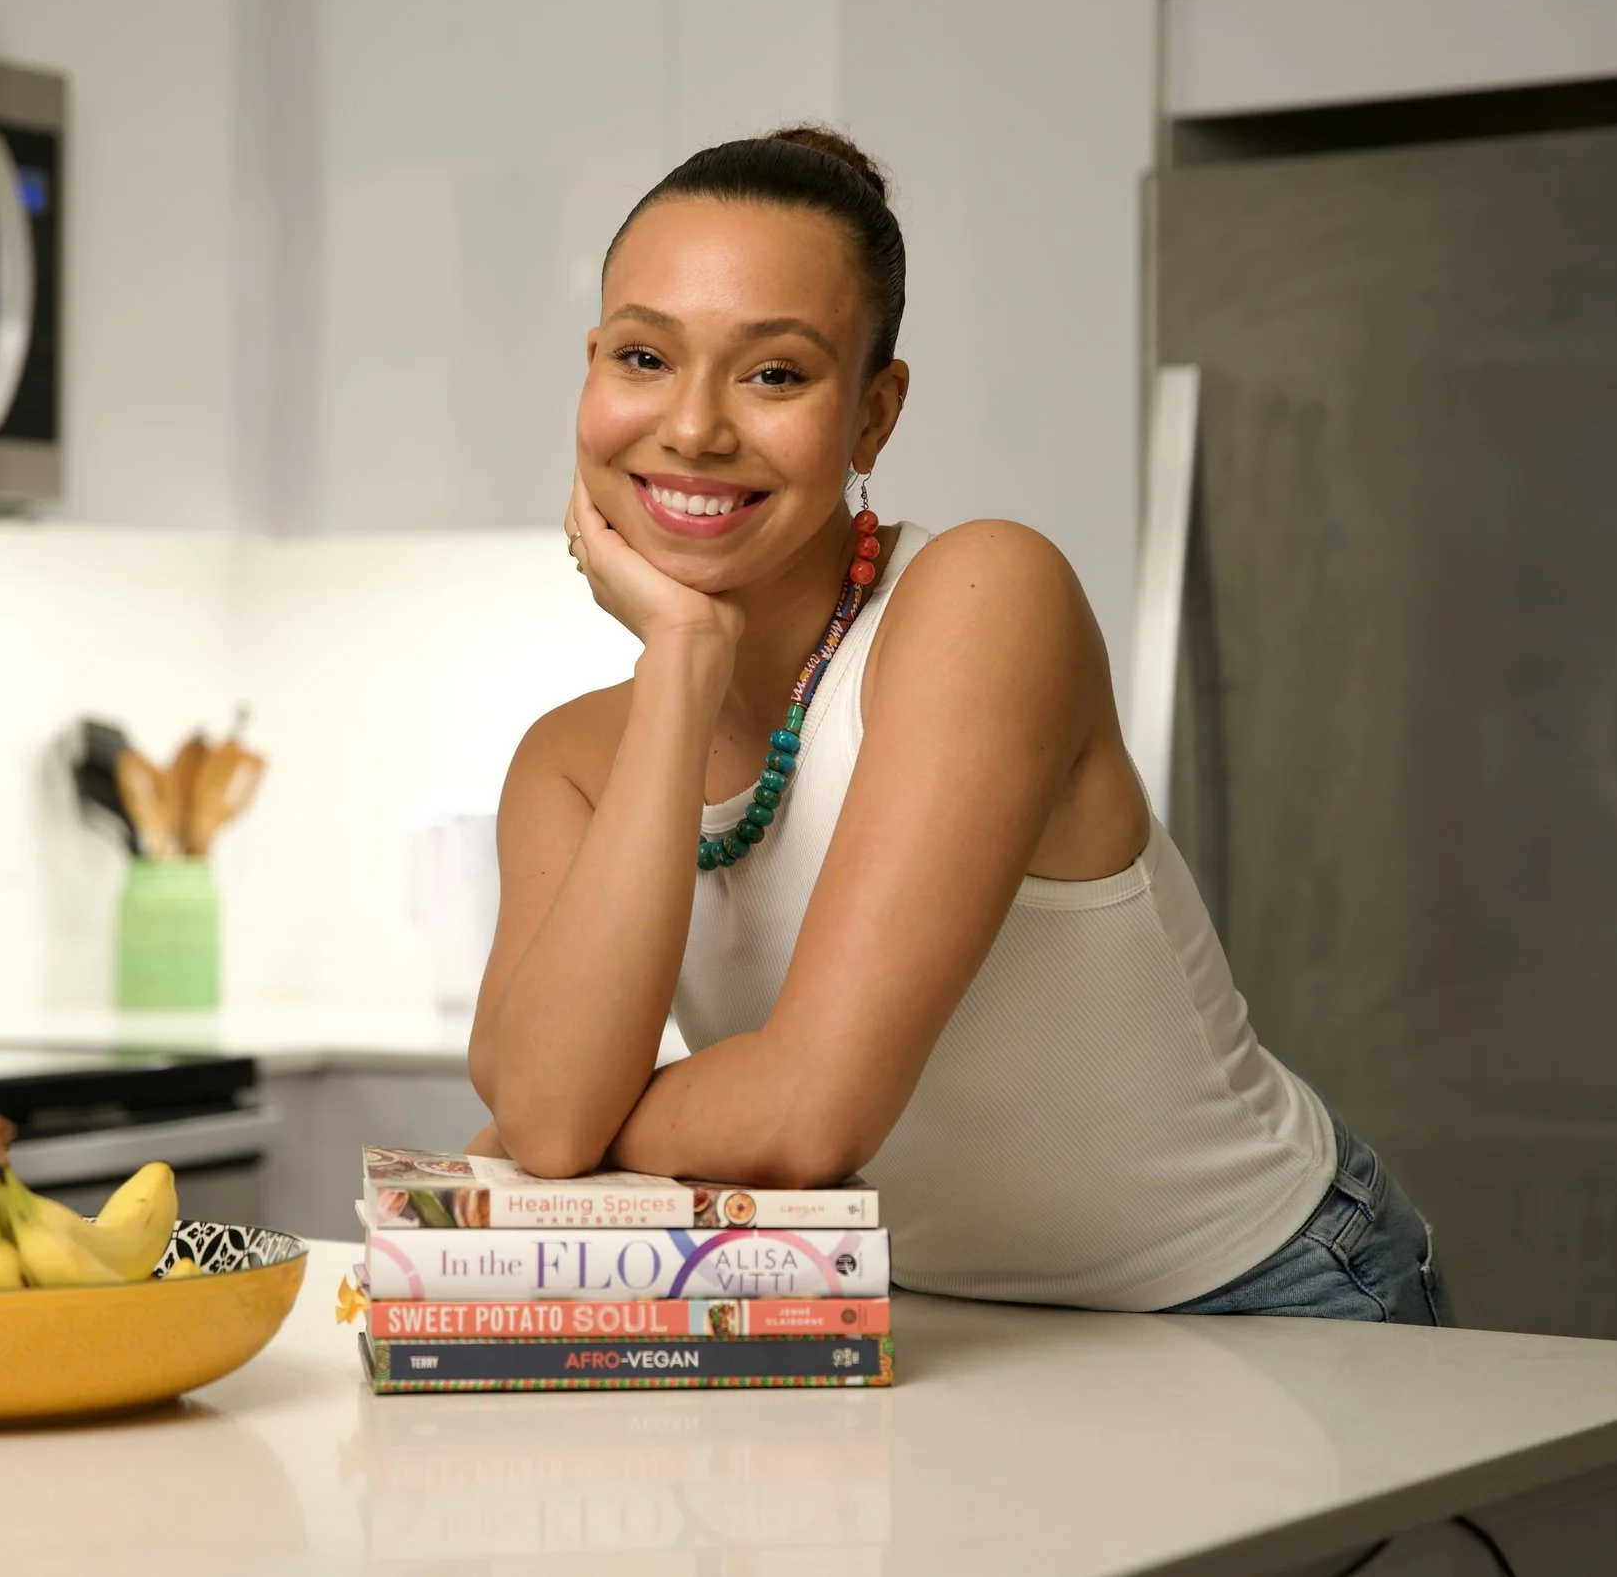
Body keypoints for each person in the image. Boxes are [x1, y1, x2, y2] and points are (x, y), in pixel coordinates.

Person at [465, 126, 1452, 1324]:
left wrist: (585, 1120)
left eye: (774, 374)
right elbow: (555, 1118)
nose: (693, 427)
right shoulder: (567, 763)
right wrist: (680, 662)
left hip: (1257, 1291)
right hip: (943, 1321)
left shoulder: (984, 600)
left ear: (874, 416)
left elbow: (799, 1123)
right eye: (642, 357)